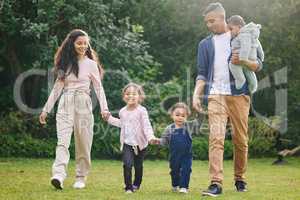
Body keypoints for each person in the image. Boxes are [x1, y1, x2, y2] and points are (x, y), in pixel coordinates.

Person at [192, 2, 264, 197]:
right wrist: (196, 94)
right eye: (206, 22)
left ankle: (240, 178)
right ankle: (216, 183)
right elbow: (201, 73)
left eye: (211, 21)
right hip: (215, 95)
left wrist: (243, 62)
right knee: (216, 138)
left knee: (241, 140)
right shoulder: (205, 44)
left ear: (222, 17)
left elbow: (258, 64)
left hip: (239, 95)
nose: (208, 25)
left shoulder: (242, 35)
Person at [39, 29, 110, 190]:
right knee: (62, 141)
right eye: (79, 43)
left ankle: (81, 177)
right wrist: (46, 110)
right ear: (72, 44)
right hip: (66, 103)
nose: (83, 46)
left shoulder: (91, 64)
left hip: (83, 103)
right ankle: (58, 174)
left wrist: (104, 109)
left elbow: (99, 88)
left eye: (85, 43)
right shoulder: (65, 63)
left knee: (83, 142)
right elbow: (57, 87)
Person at [104, 83, 157, 193]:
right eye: (128, 94)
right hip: (127, 143)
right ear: (124, 96)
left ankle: (136, 184)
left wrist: (150, 137)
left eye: (134, 94)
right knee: (127, 164)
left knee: (138, 166)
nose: (131, 96)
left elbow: (146, 125)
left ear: (140, 97)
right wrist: (109, 119)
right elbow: (121, 123)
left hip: (140, 144)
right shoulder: (122, 111)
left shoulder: (142, 111)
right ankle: (128, 187)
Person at [152, 102, 202, 194]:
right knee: (174, 171)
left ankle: (184, 187)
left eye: (183, 116)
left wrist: (199, 111)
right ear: (172, 115)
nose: (180, 117)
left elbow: (198, 122)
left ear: (187, 117)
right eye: (177, 115)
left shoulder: (188, 127)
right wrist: (157, 141)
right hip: (174, 156)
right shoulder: (169, 129)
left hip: (187, 155)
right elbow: (164, 141)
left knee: (186, 170)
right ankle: (175, 184)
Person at [228, 15, 265, 93]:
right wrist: (262, 56)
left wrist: (243, 59)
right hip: (222, 94)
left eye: (231, 29)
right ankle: (253, 86)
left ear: (239, 27)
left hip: (241, 94)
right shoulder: (248, 35)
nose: (229, 31)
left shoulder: (243, 36)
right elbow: (258, 46)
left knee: (233, 65)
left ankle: (241, 80)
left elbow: (259, 65)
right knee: (249, 73)